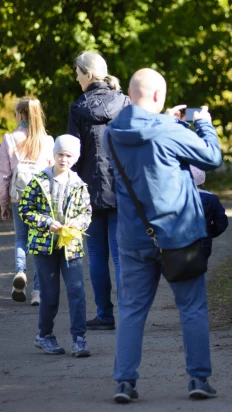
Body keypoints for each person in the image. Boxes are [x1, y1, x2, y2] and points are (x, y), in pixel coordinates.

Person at [103, 68, 223, 403]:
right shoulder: (170, 129)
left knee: (130, 310)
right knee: (192, 308)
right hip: (178, 234)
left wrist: (167, 121)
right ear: (158, 96)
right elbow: (211, 158)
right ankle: (199, 379)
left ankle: (124, 383)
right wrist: (203, 123)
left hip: (132, 236)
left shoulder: (111, 133)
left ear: (131, 93)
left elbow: (145, 146)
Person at [67, 50, 131, 331]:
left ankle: (105, 315)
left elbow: (73, 155)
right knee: (120, 256)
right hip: (122, 190)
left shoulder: (78, 108)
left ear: (89, 74)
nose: (77, 78)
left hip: (89, 192)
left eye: (78, 73)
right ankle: (129, 313)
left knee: (96, 257)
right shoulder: (125, 102)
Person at [19, 134, 92, 357]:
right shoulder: (39, 181)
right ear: (54, 155)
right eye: (60, 154)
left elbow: (86, 213)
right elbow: (25, 210)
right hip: (44, 246)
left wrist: (76, 223)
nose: (64, 159)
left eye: (68, 155)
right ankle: (45, 335)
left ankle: (79, 339)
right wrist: (46, 222)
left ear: (75, 158)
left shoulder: (79, 185)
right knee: (49, 294)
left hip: (70, 246)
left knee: (76, 292)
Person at [0, 96, 55, 305]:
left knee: (21, 239)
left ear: (20, 114)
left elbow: (4, 174)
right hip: (41, 198)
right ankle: (38, 292)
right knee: (39, 242)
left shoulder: (9, 139)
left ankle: (20, 272)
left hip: (18, 196)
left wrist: (3, 203)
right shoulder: (47, 141)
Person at [190, 167, 228, 270]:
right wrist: (210, 232)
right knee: (200, 271)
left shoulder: (176, 197)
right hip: (203, 242)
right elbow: (221, 221)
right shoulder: (212, 198)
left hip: (180, 242)